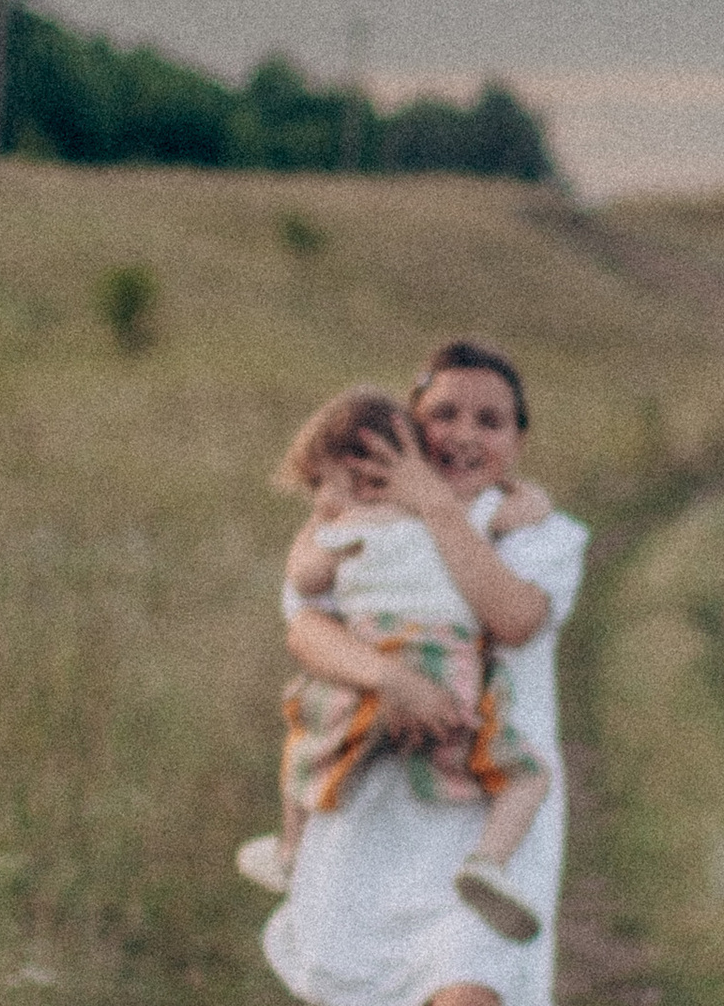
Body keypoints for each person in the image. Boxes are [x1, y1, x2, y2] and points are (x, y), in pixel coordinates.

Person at [262, 340, 587, 1006]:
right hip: (380, 800)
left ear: (518, 441)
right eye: (445, 415)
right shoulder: (354, 514)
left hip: (489, 801)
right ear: (409, 422)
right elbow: (304, 621)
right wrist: (390, 678)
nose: (464, 435)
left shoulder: (538, 530)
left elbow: (515, 618)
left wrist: (442, 510)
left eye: (491, 420)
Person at [236, 384, 551, 941]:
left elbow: (304, 584)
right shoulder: (458, 515)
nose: (317, 496)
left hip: (370, 679)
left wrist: (320, 526)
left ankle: (290, 851)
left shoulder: (346, 529)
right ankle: (487, 863)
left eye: (319, 483)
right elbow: (519, 510)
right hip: (455, 677)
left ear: (352, 474)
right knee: (524, 775)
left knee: (308, 742)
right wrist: (530, 501)